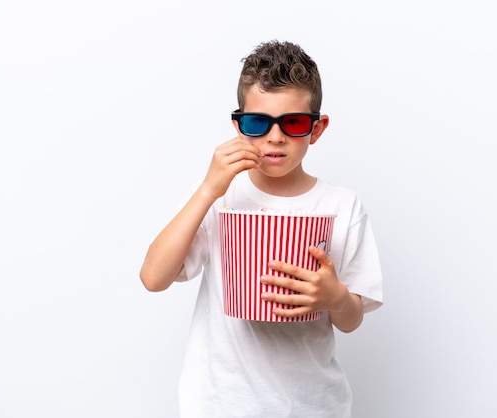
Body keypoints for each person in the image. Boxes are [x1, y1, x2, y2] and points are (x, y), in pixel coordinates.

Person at [140, 40, 383, 418]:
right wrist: (207, 189)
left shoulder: (341, 206)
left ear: (316, 129)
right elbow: (153, 278)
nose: (275, 137)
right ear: (238, 126)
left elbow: (351, 320)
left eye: (294, 123)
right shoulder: (219, 195)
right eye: (258, 122)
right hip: (220, 404)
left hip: (313, 406)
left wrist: (335, 297)